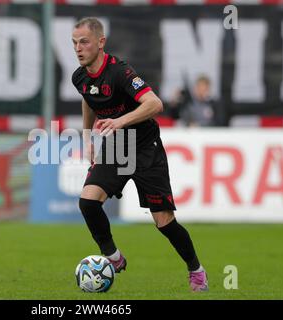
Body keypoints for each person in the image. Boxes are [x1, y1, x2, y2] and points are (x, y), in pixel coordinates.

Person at [71, 17, 208, 292]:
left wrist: (120, 121)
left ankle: (196, 270)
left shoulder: (120, 73)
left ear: (101, 42)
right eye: (74, 42)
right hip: (116, 148)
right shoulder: (80, 77)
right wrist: (87, 138)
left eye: (84, 41)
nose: (78, 48)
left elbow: (154, 103)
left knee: (164, 222)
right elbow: (89, 100)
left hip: (146, 149)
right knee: (87, 202)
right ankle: (112, 256)